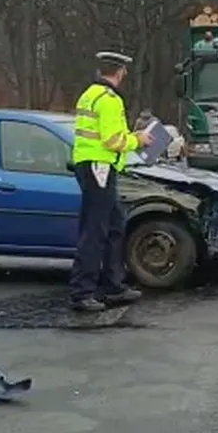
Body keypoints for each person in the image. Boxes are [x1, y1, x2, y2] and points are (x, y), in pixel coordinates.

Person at [69, 51, 154, 311]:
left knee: (116, 224)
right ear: (120, 72)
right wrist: (138, 140)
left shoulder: (89, 94)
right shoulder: (109, 99)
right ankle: (83, 292)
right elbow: (112, 140)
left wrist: (131, 136)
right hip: (99, 167)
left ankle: (114, 285)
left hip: (93, 165)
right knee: (96, 230)